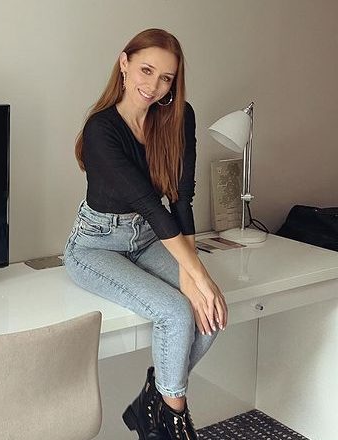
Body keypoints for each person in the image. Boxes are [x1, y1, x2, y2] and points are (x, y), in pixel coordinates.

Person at [63, 28, 228, 440]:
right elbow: (151, 205)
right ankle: (173, 421)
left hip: (151, 239)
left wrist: (196, 273)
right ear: (125, 63)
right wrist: (196, 275)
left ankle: (153, 402)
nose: (153, 86)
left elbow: (181, 199)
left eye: (166, 78)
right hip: (96, 245)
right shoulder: (102, 129)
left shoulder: (179, 116)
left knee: (211, 314)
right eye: (146, 70)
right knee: (177, 311)